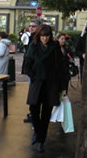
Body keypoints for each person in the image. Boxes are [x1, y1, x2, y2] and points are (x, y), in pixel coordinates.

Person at [23, 24, 67, 153]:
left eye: (47, 36)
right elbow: (27, 64)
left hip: (51, 84)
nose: (45, 39)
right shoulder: (33, 46)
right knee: (34, 110)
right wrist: (33, 75)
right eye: (42, 36)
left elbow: (60, 67)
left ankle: (41, 140)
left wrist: (63, 86)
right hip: (37, 83)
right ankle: (37, 132)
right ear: (39, 36)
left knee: (47, 113)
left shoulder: (55, 47)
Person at [22, 18, 42, 123]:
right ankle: (32, 113)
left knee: (35, 93)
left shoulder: (38, 39)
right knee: (33, 92)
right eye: (30, 26)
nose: (31, 28)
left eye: (33, 26)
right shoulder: (31, 37)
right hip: (31, 70)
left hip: (36, 71)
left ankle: (34, 114)